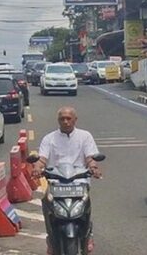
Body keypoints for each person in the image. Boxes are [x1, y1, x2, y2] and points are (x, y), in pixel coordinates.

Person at [32, 106, 102, 255]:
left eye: (68, 118)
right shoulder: (49, 138)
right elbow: (42, 159)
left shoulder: (85, 136)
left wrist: (94, 168)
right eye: (62, 119)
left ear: (75, 120)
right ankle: (50, 239)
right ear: (58, 121)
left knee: (85, 206)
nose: (65, 121)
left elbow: (90, 158)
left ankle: (88, 234)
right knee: (46, 204)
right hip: (57, 182)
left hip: (79, 182)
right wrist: (37, 168)